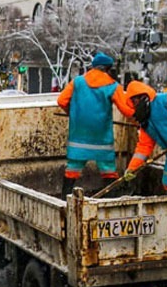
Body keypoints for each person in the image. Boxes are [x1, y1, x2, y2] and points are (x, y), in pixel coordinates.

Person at [55, 52, 133, 197]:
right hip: (101, 137)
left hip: (78, 136)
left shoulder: (77, 82)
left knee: (73, 168)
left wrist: (72, 113)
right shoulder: (113, 86)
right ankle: (111, 199)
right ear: (107, 69)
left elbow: (61, 100)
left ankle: (65, 198)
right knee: (108, 169)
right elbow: (126, 110)